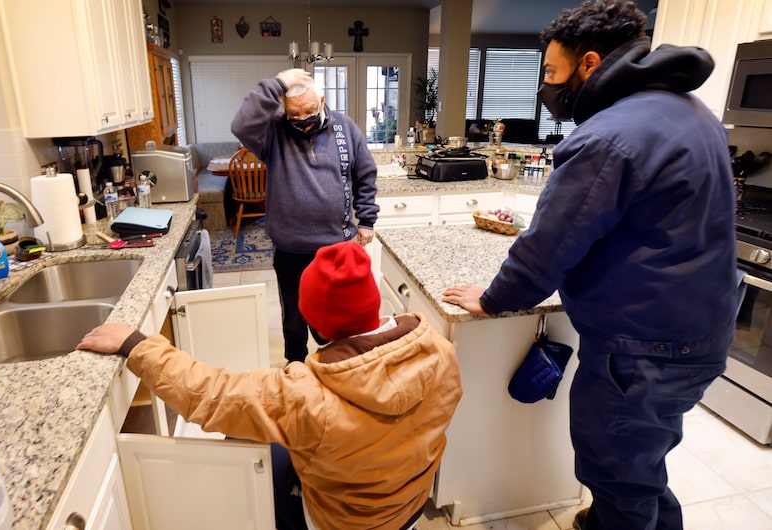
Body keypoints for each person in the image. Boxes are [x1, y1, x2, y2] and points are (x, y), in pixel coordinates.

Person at [442, 1, 736, 529]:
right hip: (698, 333)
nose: (546, 88)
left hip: (641, 347)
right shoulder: (691, 113)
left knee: (617, 473)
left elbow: (550, 245)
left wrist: (493, 299)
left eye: (552, 73)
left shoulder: (607, 136)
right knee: (640, 468)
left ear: (590, 63)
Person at [78, 240, 462, 530]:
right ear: (374, 306)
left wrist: (135, 345)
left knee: (248, 453)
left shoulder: (304, 396)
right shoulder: (440, 351)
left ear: (314, 326)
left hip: (344, 523)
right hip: (411, 507)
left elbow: (210, 395)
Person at [230, 68, 379, 364]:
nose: (302, 119)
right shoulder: (273, 132)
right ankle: (295, 366)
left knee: (334, 317)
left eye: (309, 110)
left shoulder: (345, 129)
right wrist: (278, 84)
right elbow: (242, 124)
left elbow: (365, 174)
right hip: (291, 248)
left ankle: (335, 363)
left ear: (322, 101)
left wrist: (367, 220)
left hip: (337, 245)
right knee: (295, 318)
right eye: (294, 113)